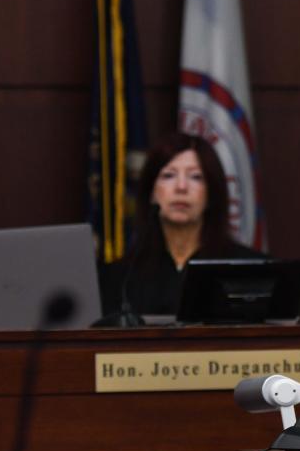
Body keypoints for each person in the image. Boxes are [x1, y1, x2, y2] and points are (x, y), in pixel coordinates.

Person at [97, 132, 263, 316]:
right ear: (151, 192)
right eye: (169, 175)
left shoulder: (249, 271)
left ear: (211, 194)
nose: (181, 187)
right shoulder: (120, 279)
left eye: (195, 177)